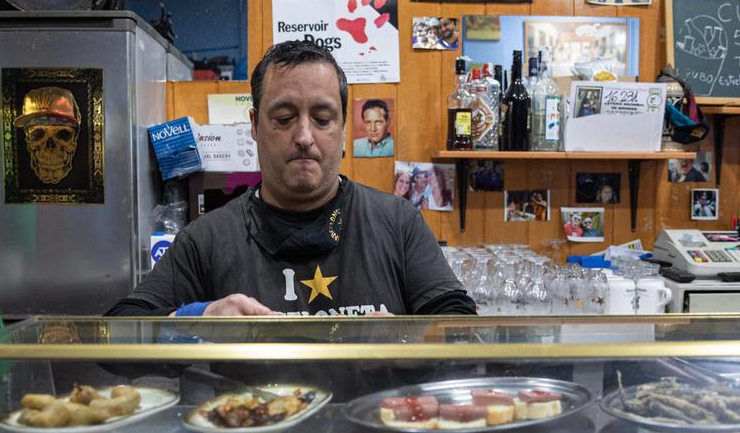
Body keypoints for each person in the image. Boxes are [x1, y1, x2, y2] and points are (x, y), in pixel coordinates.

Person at [107, 40, 475, 317]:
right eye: (283, 118)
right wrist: (195, 318)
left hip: (368, 418)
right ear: (254, 125)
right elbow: (119, 331)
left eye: (323, 118)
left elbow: (460, 326)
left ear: (344, 128)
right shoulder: (208, 238)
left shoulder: (399, 224)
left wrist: (405, 338)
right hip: (246, 419)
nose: (303, 136)